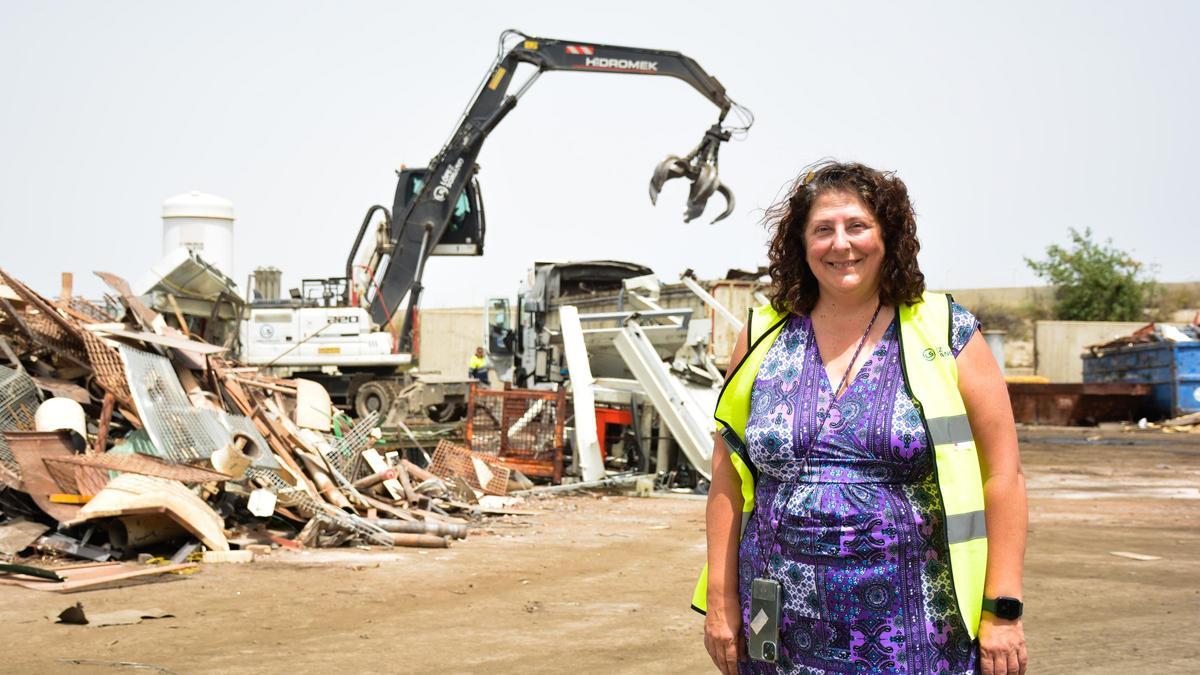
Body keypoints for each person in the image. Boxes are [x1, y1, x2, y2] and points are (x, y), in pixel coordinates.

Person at [700, 162, 1028, 675]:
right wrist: (722, 605)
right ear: (801, 244)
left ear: (887, 236)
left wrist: (1002, 611)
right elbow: (727, 474)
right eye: (823, 229)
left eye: (857, 226)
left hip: (915, 624)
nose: (841, 244)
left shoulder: (945, 331)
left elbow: (1002, 475)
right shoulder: (762, 334)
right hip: (773, 611)